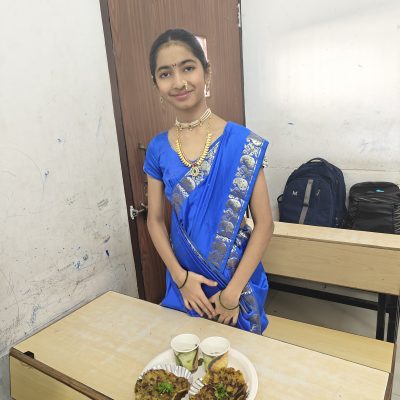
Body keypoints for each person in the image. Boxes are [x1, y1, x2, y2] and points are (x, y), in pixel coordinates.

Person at [144, 28, 274, 334]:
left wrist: (231, 295)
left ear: (207, 72)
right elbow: (155, 220)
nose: (179, 82)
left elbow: (265, 224)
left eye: (188, 68)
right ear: (156, 84)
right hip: (185, 284)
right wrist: (181, 280)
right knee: (187, 357)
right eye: (166, 74)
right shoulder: (158, 148)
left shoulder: (242, 142)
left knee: (238, 361)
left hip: (236, 287)